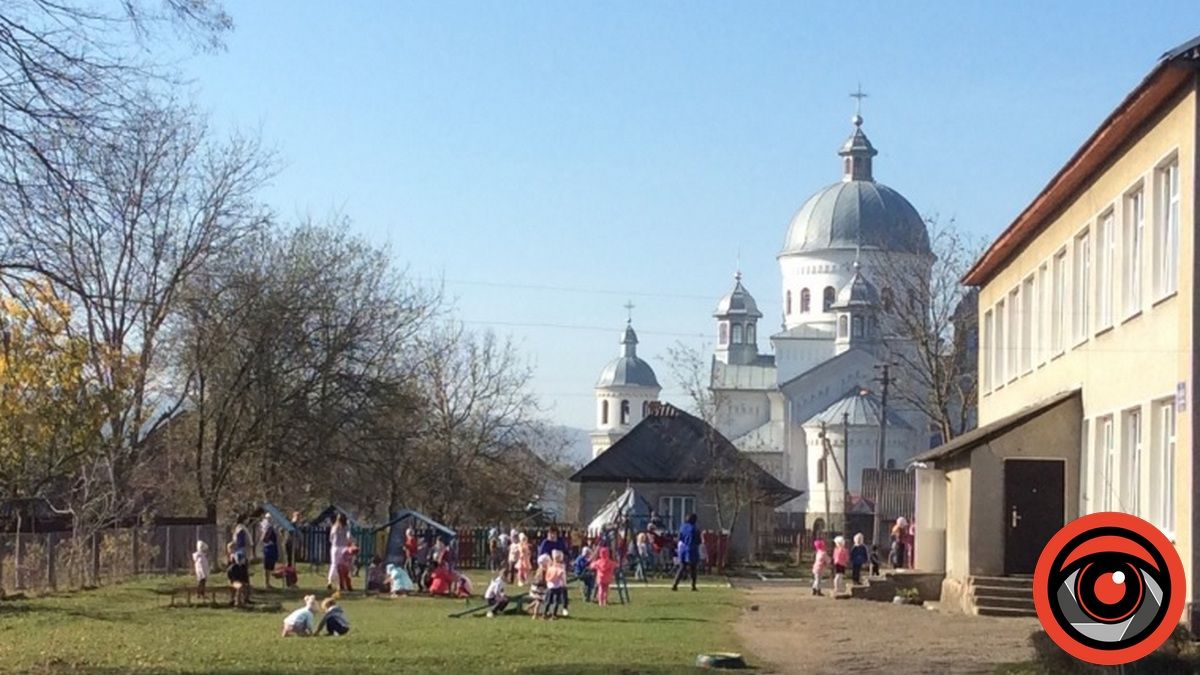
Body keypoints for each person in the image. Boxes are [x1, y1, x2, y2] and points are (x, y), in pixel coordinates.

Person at [671, 513, 700, 592]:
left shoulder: (682, 527)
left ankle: (675, 584)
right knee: (693, 568)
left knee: (682, 567)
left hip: (682, 549)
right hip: (692, 548)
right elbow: (698, 541)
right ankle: (693, 586)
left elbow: (679, 538)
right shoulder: (694, 528)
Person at [328, 513, 349, 591]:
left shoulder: (334, 527)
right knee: (343, 565)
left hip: (335, 547)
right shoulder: (346, 527)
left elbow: (331, 538)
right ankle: (340, 582)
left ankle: (330, 581)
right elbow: (348, 536)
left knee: (334, 564)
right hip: (344, 547)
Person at [226, 542, 251, 606]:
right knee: (240, 587)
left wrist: (245, 582)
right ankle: (237, 602)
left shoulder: (243, 567)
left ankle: (245, 600)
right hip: (234, 581)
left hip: (240, 581)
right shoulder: (233, 567)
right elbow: (230, 575)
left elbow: (245, 576)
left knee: (245, 586)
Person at [545, 549, 567, 619]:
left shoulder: (550, 567)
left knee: (548, 601)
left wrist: (548, 582)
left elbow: (547, 576)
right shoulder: (560, 567)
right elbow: (561, 576)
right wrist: (564, 584)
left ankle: (544, 613)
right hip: (557, 586)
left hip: (550, 586)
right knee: (556, 601)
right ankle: (553, 615)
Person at [528, 554, 550, 619]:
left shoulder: (539, 569)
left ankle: (529, 607)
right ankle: (535, 615)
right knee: (538, 602)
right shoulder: (542, 570)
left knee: (539, 600)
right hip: (539, 588)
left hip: (536, 587)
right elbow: (542, 579)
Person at [261, 513, 278, 589]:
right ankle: (267, 583)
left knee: (269, 567)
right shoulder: (269, 527)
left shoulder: (266, 527)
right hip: (269, 548)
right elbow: (264, 538)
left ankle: (268, 583)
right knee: (268, 566)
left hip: (269, 547)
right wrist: (268, 541)